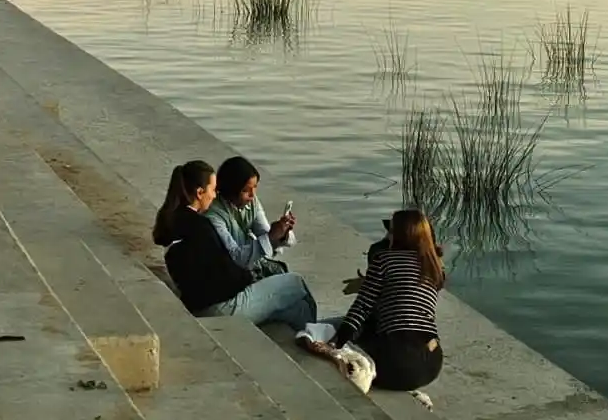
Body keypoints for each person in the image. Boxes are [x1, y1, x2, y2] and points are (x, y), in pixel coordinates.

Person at [152, 161, 317, 330]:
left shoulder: (176, 219)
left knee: (297, 310)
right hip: (219, 308)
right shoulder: (202, 225)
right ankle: (319, 339)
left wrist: (278, 235)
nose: (215, 195)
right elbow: (227, 269)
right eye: (213, 190)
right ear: (200, 193)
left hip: (203, 303)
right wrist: (248, 280)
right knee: (296, 282)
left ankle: (309, 338)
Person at [326, 209, 445, 392]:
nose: (387, 236)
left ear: (400, 235)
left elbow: (361, 309)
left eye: (391, 231)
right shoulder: (435, 268)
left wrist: (335, 344)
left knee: (345, 336)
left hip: (394, 363)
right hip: (431, 364)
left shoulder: (383, 259)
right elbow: (406, 292)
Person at [202, 156, 296, 277]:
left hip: (250, 267)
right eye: (246, 190)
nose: (253, 195)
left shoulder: (251, 202)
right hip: (230, 276)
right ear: (231, 190)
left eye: (255, 187)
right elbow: (236, 257)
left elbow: (264, 233)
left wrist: (282, 233)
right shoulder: (214, 215)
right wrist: (271, 237)